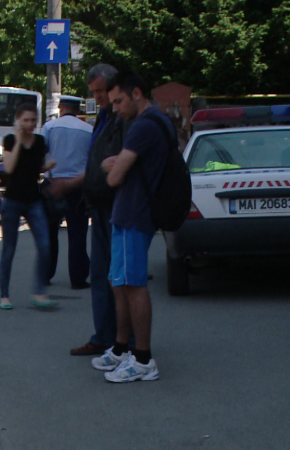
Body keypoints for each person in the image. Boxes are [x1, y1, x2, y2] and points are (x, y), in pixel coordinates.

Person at [92, 70, 173, 383]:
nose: (114, 108)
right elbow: (116, 165)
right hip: (128, 213)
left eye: (119, 100)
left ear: (136, 93)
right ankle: (122, 347)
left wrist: (111, 166)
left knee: (134, 284)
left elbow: (112, 176)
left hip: (135, 213)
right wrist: (115, 164)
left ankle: (142, 359)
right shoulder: (155, 122)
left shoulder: (143, 127)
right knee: (120, 281)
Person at [69, 64, 125, 357]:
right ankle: (105, 337)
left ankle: (117, 341)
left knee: (115, 277)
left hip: (113, 206)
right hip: (100, 205)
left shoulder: (120, 118)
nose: (99, 97)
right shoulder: (104, 117)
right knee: (102, 274)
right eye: (94, 92)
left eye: (102, 91)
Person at [0, 103, 56, 311]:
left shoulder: (40, 141)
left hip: (34, 200)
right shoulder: (10, 140)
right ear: (18, 121)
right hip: (12, 201)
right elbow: (10, 167)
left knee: (44, 244)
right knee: (9, 249)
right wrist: (19, 142)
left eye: (33, 120)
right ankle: (4, 295)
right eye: (26, 120)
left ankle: (39, 291)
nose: (30, 124)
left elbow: (33, 167)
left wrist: (45, 167)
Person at [41, 95, 93, 290]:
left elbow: (42, 150)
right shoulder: (89, 130)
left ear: (61, 107)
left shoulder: (50, 127)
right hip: (77, 185)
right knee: (78, 232)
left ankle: (46, 273)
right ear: (78, 110)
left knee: (49, 232)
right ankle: (78, 278)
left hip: (52, 184)